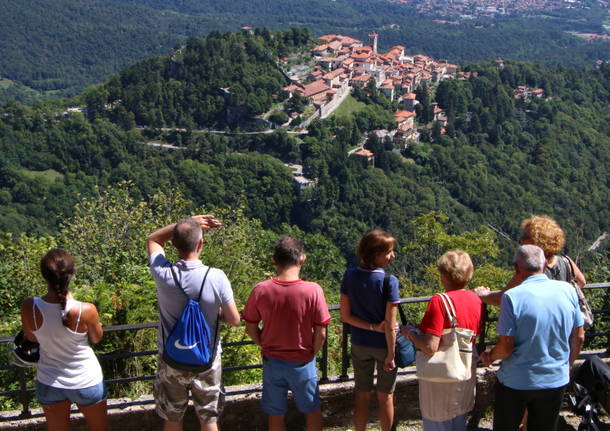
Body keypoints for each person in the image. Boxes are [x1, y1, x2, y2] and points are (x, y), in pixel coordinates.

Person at [147, 215, 241, 431]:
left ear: (173, 244)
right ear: (201, 243)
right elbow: (234, 319)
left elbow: (153, 239)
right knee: (208, 418)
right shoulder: (217, 277)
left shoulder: (163, 273)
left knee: (172, 417)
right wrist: (214, 313)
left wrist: (185, 223)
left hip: (171, 359)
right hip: (206, 359)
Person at [480, 245, 585, 431]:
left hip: (516, 381)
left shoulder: (512, 297)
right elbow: (580, 336)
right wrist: (565, 366)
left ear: (516, 268)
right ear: (544, 265)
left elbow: (506, 347)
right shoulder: (568, 290)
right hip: (556, 379)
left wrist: (490, 356)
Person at [242, 236, 331, 431]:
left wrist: (264, 344)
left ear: (274, 259)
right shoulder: (313, 291)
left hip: (272, 360)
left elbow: (250, 327)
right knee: (312, 409)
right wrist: (311, 353)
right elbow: (321, 332)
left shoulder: (261, 290)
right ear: (302, 259)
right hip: (302, 360)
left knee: (275, 413)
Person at [20, 248, 107, 431]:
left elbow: (30, 337)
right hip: (86, 379)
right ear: (71, 274)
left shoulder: (29, 307)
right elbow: (97, 338)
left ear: (44, 276)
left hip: (49, 380)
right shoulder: (86, 310)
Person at [402, 250, 483, 431]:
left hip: (440, 378)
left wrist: (410, 333)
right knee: (458, 421)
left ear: (444, 275)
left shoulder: (440, 301)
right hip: (464, 370)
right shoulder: (475, 299)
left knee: (437, 422)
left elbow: (430, 347)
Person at [340, 229, 399, 431]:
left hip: (359, 343)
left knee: (362, 394)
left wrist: (371, 327)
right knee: (386, 395)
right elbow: (390, 325)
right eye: (389, 251)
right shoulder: (389, 281)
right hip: (384, 346)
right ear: (376, 254)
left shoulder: (349, 276)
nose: (393, 255)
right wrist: (391, 354)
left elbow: (345, 316)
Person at [476, 215, 586, 306]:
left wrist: (482, 295)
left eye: (526, 236)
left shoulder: (530, 268)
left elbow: (501, 299)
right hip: (565, 325)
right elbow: (581, 282)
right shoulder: (566, 262)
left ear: (539, 241)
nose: (521, 240)